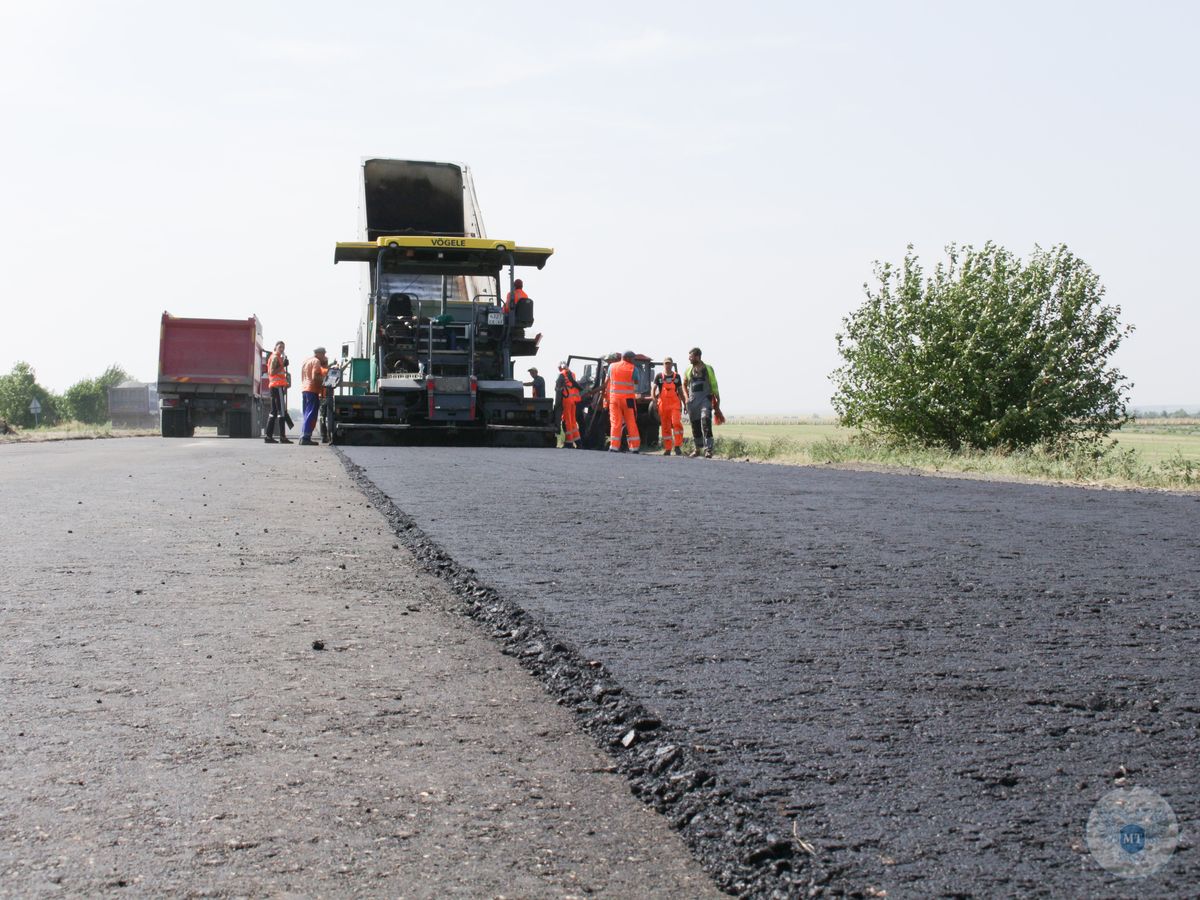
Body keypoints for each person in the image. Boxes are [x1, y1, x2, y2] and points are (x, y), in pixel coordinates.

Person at [684, 346, 719, 458]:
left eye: (691, 357)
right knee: (695, 426)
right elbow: (684, 384)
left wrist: (717, 400)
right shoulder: (688, 370)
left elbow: (714, 384)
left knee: (705, 421)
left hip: (705, 399)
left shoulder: (708, 369)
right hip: (693, 401)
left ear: (697, 357)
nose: (689, 359)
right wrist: (686, 397)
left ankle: (708, 450)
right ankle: (698, 449)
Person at [606, 350, 641, 453]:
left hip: (614, 400)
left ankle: (614, 447)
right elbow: (636, 381)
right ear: (628, 358)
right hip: (628, 400)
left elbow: (608, 380)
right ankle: (634, 448)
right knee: (631, 422)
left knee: (615, 423)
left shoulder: (611, 366)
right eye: (633, 359)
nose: (633, 361)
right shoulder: (633, 368)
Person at [652, 356, 685, 456]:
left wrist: (684, 404)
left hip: (675, 404)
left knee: (676, 423)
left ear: (671, 364)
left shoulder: (677, 377)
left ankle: (678, 446)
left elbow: (680, 391)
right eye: (666, 363)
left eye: (669, 363)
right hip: (663, 405)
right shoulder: (659, 376)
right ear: (663, 365)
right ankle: (668, 448)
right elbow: (653, 389)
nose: (667, 365)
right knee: (665, 427)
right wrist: (654, 400)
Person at [299, 347, 329, 446]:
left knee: (306, 414)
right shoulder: (316, 361)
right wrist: (326, 379)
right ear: (319, 354)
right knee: (311, 414)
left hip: (305, 389)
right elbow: (315, 376)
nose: (324, 356)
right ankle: (306, 437)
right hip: (312, 390)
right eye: (324, 354)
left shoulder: (306, 361)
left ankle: (303, 436)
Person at [264, 341, 291, 444]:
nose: (282, 349)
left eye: (283, 347)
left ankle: (268, 436)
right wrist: (283, 365)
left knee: (274, 412)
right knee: (281, 412)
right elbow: (271, 372)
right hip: (277, 386)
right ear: (275, 347)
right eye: (280, 347)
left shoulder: (276, 357)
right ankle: (282, 437)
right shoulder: (275, 357)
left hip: (275, 386)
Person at [555, 360, 582, 448]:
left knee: (567, 421)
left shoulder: (561, 375)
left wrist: (557, 405)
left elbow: (558, 390)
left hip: (566, 400)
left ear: (560, 367)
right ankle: (578, 442)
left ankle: (569, 442)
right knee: (573, 421)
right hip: (573, 401)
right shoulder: (572, 374)